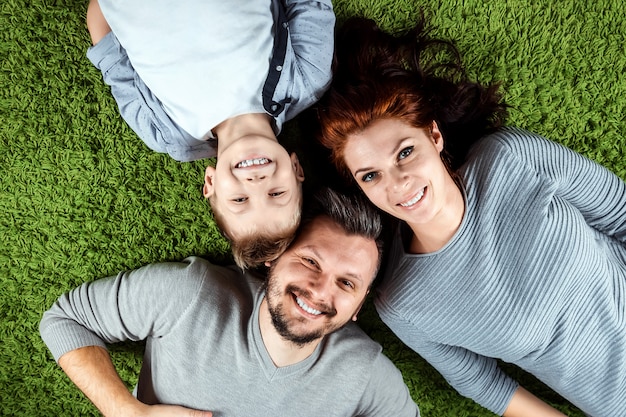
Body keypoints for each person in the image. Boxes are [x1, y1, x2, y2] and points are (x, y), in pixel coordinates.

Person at [316, 16, 626, 417]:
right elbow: (482, 383)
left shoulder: (511, 158)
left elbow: (620, 212)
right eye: (371, 175)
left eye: (405, 152)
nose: (399, 183)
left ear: (434, 135)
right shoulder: (402, 303)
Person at [39, 187, 420, 417]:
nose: (320, 290)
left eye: (346, 282)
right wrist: (122, 409)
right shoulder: (190, 294)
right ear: (274, 255)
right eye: (310, 261)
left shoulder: (365, 371)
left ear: (358, 306)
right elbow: (65, 319)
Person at [85, 0, 335, 268]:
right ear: (296, 168)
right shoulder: (307, 79)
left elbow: (112, 60)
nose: (257, 181)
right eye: (277, 194)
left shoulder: (165, 133)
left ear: (210, 183)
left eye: (240, 200)